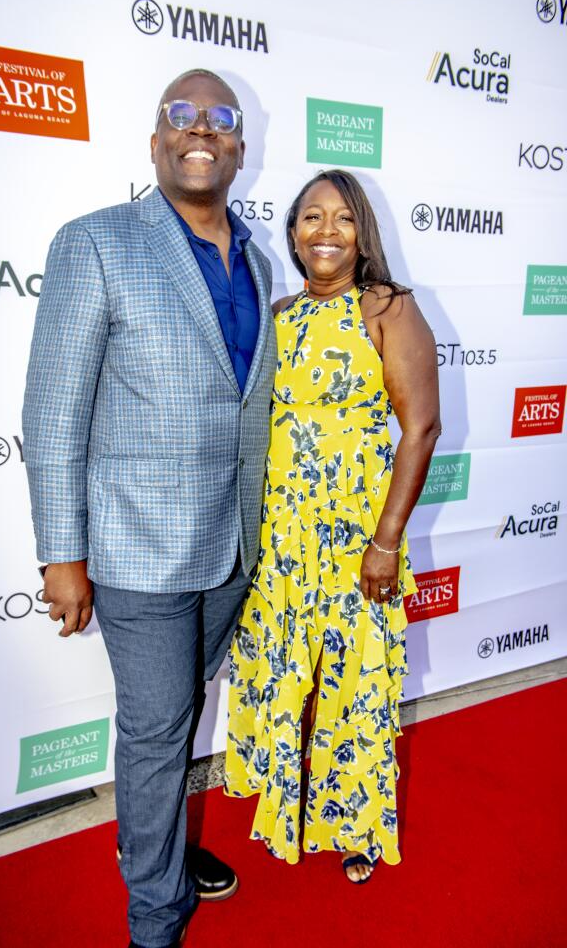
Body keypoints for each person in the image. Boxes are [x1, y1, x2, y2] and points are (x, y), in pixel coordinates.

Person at [22, 69, 277, 948]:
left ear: (239, 147)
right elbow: (54, 408)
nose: (199, 130)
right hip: (136, 548)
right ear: (156, 141)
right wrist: (63, 554)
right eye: (181, 115)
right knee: (160, 729)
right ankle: (156, 917)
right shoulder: (96, 243)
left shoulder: (259, 257)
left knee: (172, 723)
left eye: (218, 119)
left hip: (230, 546)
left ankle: (151, 842)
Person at [225, 169, 441, 883]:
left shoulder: (387, 307)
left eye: (342, 219)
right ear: (291, 232)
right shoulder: (280, 312)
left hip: (355, 540)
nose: (325, 231)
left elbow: (421, 429)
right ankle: (281, 805)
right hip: (280, 540)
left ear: (362, 233)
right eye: (311, 217)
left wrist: (385, 544)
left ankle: (356, 824)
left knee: (357, 684)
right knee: (282, 676)